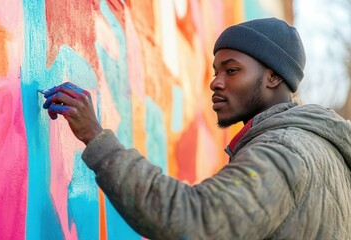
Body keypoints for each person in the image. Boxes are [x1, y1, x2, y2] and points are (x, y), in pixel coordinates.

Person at [42, 18, 351, 239]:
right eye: (216, 71)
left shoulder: (284, 150)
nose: (216, 82)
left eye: (232, 70)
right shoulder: (318, 147)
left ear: (273, 78)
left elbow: (194, 220)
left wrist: (96, 138)